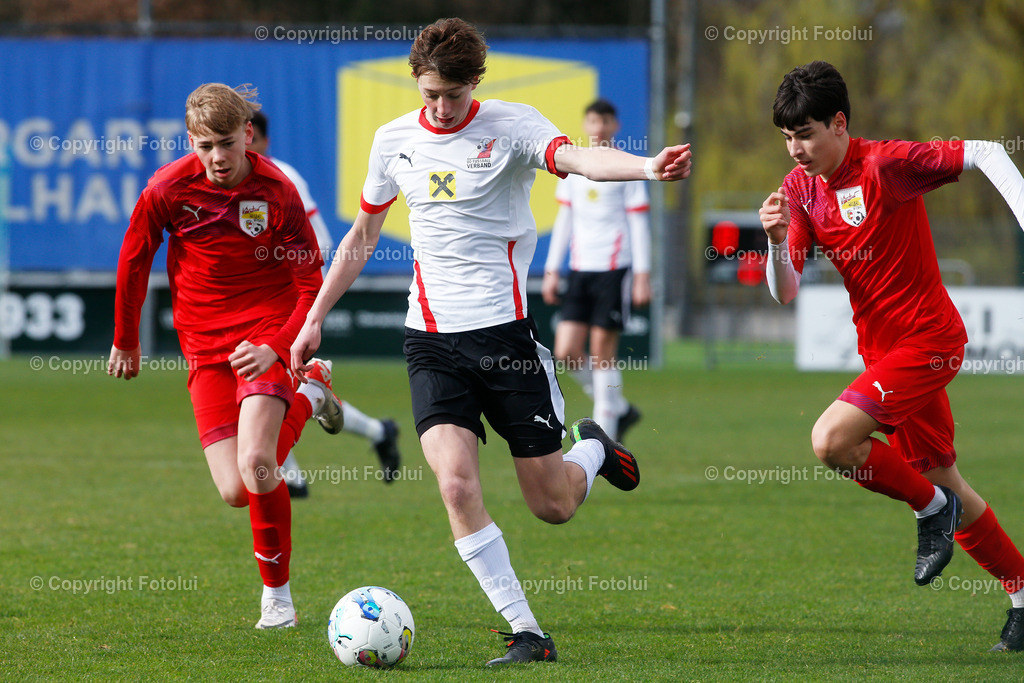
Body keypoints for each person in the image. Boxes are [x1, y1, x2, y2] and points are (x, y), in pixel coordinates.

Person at [290, 17, 691, 666]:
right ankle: (526, 629)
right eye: (430, 96)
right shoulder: (393, 140)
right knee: (455, 484)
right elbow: (362, 235)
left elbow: (580, 159)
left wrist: (647, 166)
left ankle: (592, 448)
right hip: (430, 342)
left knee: (552, 505)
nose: (442, 109)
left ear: (475, 81)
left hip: (505, 342)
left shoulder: (512, 125)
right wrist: (314, 316)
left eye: (452, 94)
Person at [760, 61, 1024, 652]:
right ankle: (1023, 593)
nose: (796, 149)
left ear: (839, 123)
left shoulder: (886, 164)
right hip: (884, 353)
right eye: (786, 137)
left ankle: (934, 511)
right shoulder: (800, 190)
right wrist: (776, 242)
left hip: (930, 342)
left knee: (831, 441)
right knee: (942, 473)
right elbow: (787, 290)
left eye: (805, 134)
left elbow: (983, 151)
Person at [108, 83, 340, 630]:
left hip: (266, 331)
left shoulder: (278, 192)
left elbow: (311, 283)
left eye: (228, 143)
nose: (217, 157)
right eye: (205, 144)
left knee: (259, 466)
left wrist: (277, 346)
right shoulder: (168, 187)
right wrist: (126, 338)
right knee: (237, 490)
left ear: (248, 136)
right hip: (204, 344)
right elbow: (134, 257)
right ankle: (311, 394)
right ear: (190, 140)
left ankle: (278, 601)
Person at [247, 110, 402, 495]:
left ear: (259, 140)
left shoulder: (282, 179)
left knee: (270, 390)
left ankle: (292, 479)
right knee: (264, 390)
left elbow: (319, 241)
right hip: (248, 303)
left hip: (281, 304)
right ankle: (377, 432)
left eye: (244, 138)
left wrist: (298, 293)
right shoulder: (223, 182)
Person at [542, 98, 650, 441]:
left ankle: (605, 435)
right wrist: (551, 270)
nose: (599, 127)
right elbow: (565, 219)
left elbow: (638, 222)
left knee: (603, 350)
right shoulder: (574, 167)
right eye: (593, 121)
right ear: (586, 125)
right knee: (566, 351)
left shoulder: (626, 166)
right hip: (579, 270)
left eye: (605, 121)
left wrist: (643, 274)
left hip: (614, 268)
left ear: (614, 126)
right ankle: (616, 405)